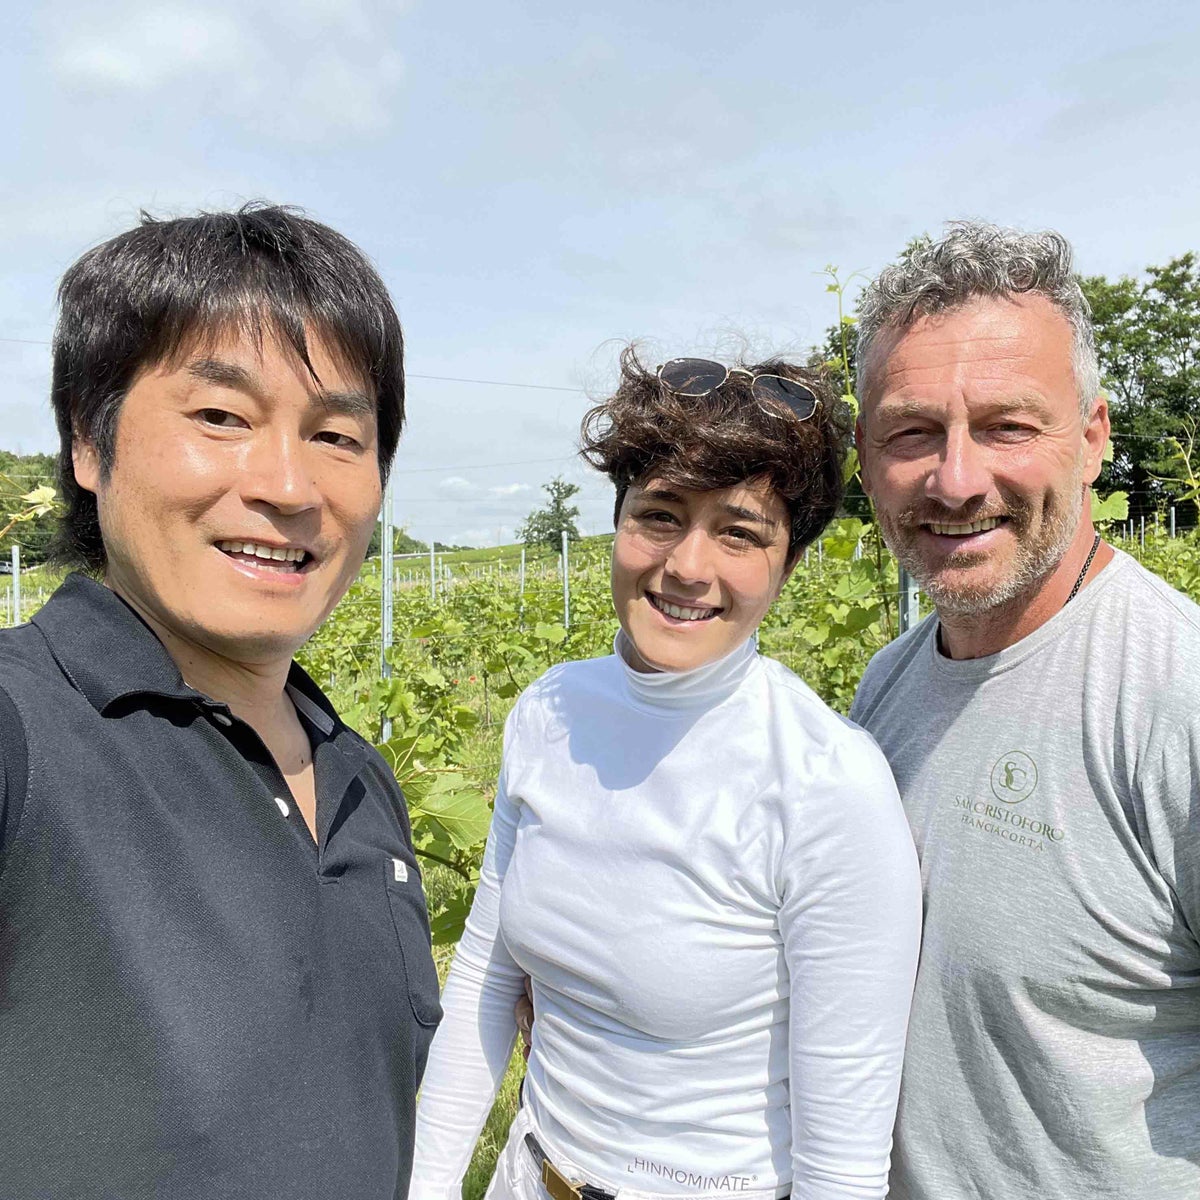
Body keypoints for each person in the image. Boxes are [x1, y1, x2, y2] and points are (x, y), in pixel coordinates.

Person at [0, 204, 441, 1200]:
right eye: (221, 418)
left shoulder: (359, 777)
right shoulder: (24, 731)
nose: (288, 485)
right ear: (88, 441)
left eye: (336, 435)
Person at [411, 350, 922, 1200]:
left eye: (739, 532)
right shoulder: (550, 712)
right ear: (617, 524)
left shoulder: (828, 783)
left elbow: (842, 1165)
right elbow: (487, 980)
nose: (688, 565)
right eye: (660, 515)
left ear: (789, 564)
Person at [849, 221, 1200, 1198]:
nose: (957, 480)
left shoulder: (1177, 699)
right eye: (912, 432)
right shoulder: (888, 686)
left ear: (1091, 439)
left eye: (1007, 426)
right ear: (867, 459)